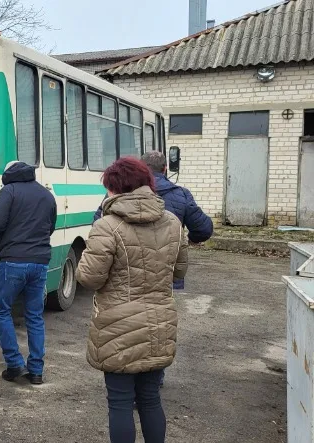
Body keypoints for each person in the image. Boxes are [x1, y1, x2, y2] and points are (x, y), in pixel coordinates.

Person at [75, 157, 188, 443]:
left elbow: (89, 278)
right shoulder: (173, 223)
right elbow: (180, 270)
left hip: (118, 327)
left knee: (120, 402)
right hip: (160, 323)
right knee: (150, 398)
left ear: (115, 188)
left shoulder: (107, 225)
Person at [92, 151, 212, 290]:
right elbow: (203, 229)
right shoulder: (181, 194)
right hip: (165, 279)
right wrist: (188, 240)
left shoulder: (119, 191)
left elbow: (97, 225)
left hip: (125, 279)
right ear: (165, 168)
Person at [0, 161, 57, 385]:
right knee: (34, 315)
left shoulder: (9, 191)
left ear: (8, 175)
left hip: (13, 261)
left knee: (1, 309)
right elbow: (50, 227)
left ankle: (14, 363)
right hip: (40, 262)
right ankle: (36, 370)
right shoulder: (46, 194)